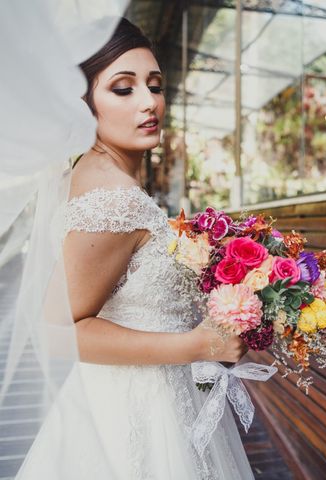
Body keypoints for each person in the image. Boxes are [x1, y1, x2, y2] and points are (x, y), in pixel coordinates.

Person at [10, 17, 255, 479]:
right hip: (141, 414)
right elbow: (59, 330)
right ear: (83, 106)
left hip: (134, 394)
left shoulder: (95, 178)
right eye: (123, 89)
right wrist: (197, 344)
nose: (149, 102)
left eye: (155, 85)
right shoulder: (113, 201)